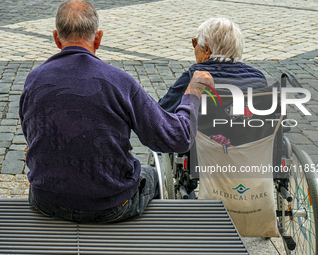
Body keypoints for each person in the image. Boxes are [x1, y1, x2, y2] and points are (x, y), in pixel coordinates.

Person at [19, 0, 213, 224]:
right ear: (99, 38)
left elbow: (32, 132)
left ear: (56, 38)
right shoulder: (119, 82)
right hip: (110, 207)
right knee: (150, 174)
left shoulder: (33, 81)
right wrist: (195, 89)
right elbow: (178, 138)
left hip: (45, 200)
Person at [159, 17, 268, 113]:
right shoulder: (258, 78)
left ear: (206, 50)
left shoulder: (193, 78)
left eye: (195, 43)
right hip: (248, 136)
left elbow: (160, 112)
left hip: (203, 137)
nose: (194, 48)